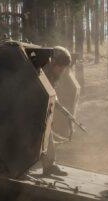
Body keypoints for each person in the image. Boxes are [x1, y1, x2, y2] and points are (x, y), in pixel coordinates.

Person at [41, 46, 72, 176]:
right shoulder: (41, 71)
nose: (61, 71)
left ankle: (49, 165)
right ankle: (48, 165)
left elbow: (52, 93)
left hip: (41, 110)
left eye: (63, 68)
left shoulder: (52, 74)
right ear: (53, 63)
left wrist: (63, 110)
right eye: (60, 68)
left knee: (47, 132)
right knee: (44, 134)